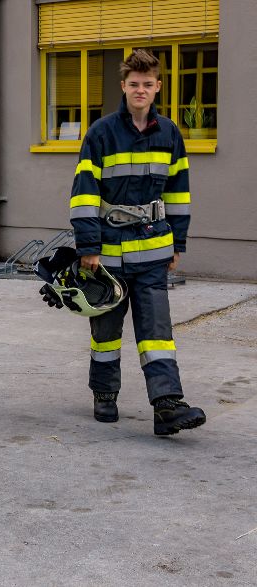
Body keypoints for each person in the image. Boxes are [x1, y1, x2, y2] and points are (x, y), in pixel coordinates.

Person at [69, 49, 205, 435]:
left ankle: (167, 405)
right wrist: (88, 248)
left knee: (157, 333)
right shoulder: (101, 133)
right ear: (124, 86)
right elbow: (84, 194)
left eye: (147, 84)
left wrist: (178, 242)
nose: (140, 90)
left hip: (153, 252)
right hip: (108, 256)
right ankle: (104, 393)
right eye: (134, 84)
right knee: (106, 331)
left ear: (158, 86)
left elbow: (178, 193)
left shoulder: (170, 133)